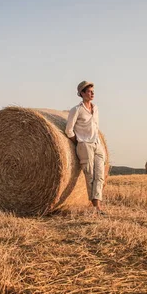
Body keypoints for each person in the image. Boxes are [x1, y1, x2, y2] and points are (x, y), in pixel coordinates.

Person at [65, 80, 106, 215]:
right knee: (90, 175)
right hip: (84, 145)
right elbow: (69, 130)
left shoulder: (96, 109)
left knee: (100, 175)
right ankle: (96, 206)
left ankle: (97, 202)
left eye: (93, 91)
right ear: (82, 93)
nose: (92, 93)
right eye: (89, 91)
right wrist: (79, 142)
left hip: (97, 144)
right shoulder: (76, 110)